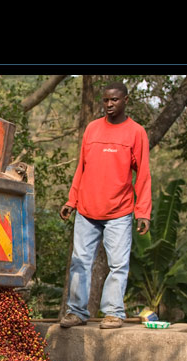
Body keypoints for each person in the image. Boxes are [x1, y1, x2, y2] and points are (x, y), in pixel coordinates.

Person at [59, 81, 152, 330]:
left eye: (114, 100)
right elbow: (82, 167)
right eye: (106, 100)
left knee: (118, 265)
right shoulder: (92, 129)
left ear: (125, 100)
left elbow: (143, 174)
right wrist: (72, 200)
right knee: (80, 261)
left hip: (119, 212)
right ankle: (77, 311)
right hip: (87, 210)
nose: (109, 105)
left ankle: (113, 312)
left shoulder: (135, 132)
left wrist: (143, 212)